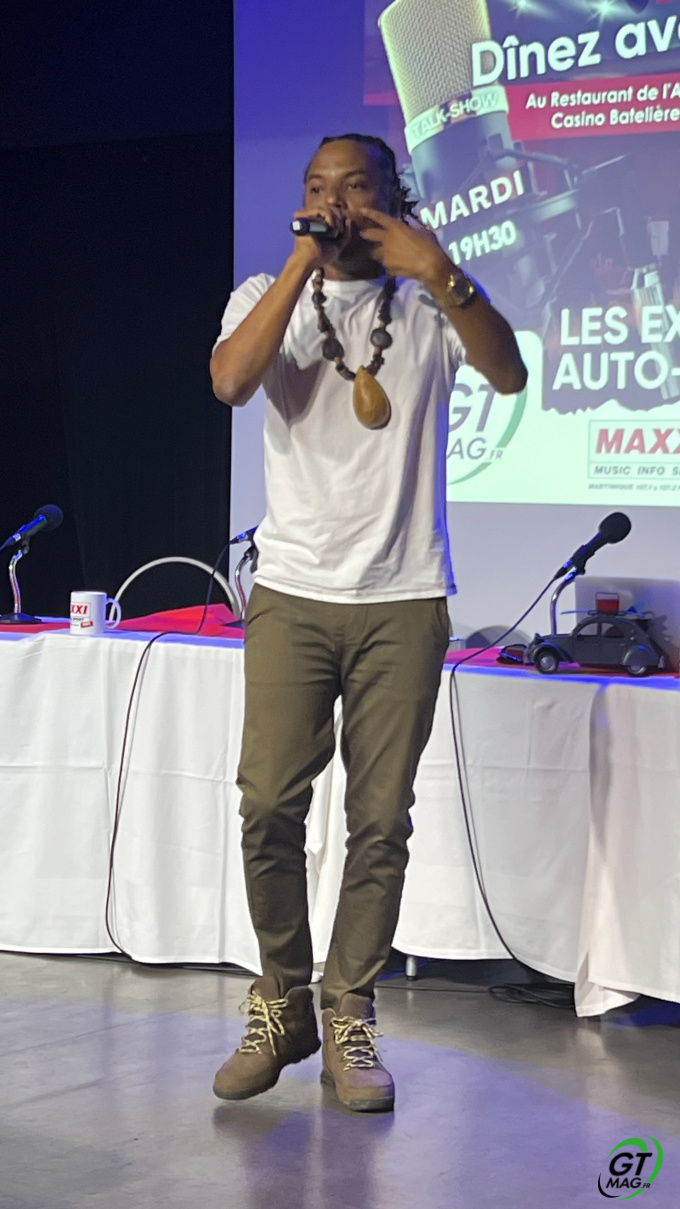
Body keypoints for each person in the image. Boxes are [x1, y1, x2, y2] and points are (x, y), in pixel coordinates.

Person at [210, 133, 527, 1112]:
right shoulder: (264, 292)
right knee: (268, 804)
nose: (335, 202)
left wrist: (441, 270)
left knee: (379, 820)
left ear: (394, 198)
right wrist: (301, 262)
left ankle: (348, 1009)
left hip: (402, 595)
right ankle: (281, 1001)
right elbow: (230, 380)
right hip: (293, 592)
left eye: (355, 187)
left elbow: (509, 375)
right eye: (317, 187)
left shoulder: (431, 305)